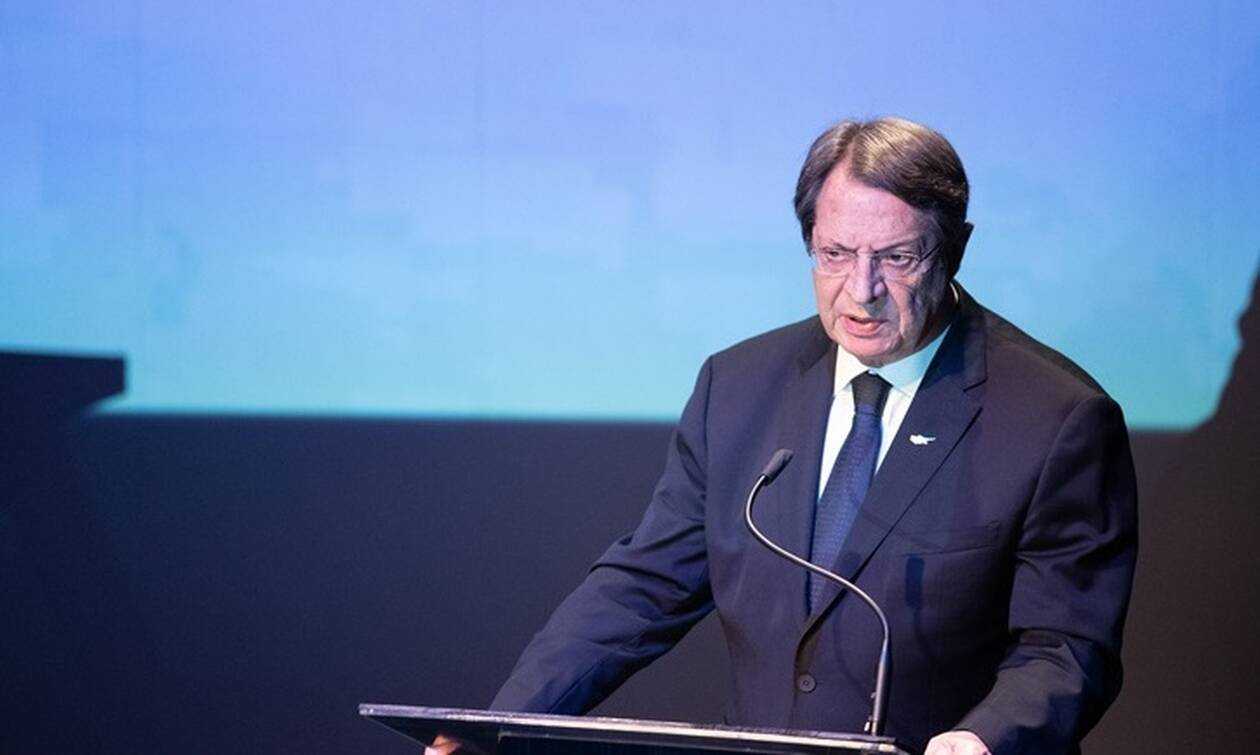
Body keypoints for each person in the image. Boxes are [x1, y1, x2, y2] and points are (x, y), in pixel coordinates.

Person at [481, 117, 1138, 755]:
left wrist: (984, 738)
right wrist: (496, 727)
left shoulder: (1056, 418)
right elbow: (643, 588)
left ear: (954, 250)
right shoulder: (736, 388)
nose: (862, 290)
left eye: (896, 257)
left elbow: (1065, 646)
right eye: (836, 255)